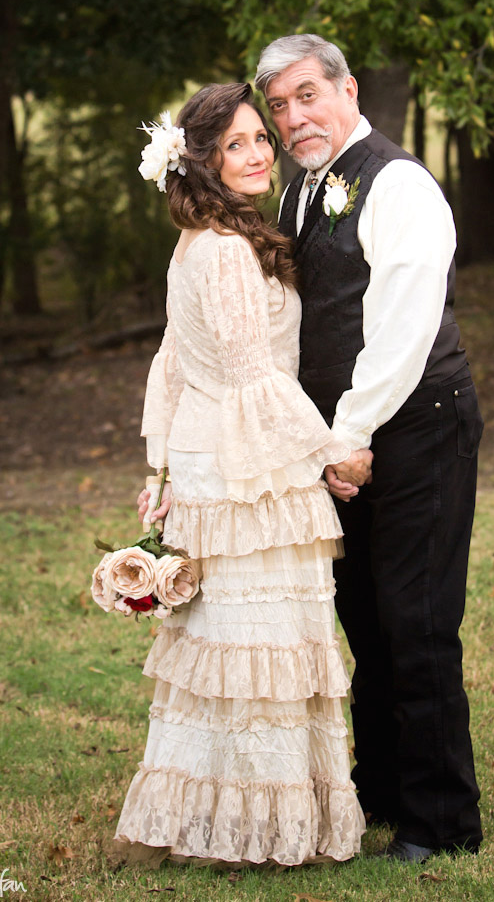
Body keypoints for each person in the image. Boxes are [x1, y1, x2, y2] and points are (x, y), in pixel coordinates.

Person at [112, 82, 368, 867]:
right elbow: (252, 377)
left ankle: (223, 812)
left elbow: (172, 361)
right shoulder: (222, 250)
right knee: (253, 645)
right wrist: (332, 451)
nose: (259, 152)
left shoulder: (207, 236)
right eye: (237, 144)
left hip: (213, 453)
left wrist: (158, 463)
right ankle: (251, 827)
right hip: (242, 465)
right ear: (203, 160)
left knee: (231, 647)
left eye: (262, 137)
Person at [254, 34, 484, 863]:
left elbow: (401, 327)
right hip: (339, 442)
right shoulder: (301, 192)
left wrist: (350, 434)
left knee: (416, 618)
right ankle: (384, 790)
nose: (293, 117)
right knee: (364, 619)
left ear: (347, 88)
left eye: (307, 95)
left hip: (417, 422)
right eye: (278, 105)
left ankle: (442, 820)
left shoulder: (401, 184)